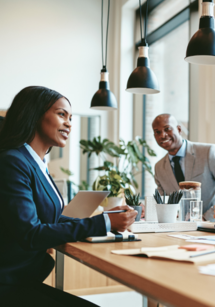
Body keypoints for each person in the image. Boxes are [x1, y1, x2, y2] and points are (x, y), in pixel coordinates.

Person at [0, 86, 137, 306]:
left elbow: (49, 218)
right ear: (34, 114)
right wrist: (101, 223)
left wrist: (104, 221)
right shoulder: (13, 161)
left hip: (23, 279)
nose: (69, 123)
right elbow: (31, 234)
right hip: (9, 285)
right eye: (61, 114)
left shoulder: (36, 163)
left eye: (71, 118)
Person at [152, 114, 215, 221]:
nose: (163, 135)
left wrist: (207, 217)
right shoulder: (159, 168)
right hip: (177, 229)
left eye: (167, 129)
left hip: (211, 225)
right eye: (157, 132)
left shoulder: (209, 152)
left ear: (179, 129)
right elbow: (164, 202)